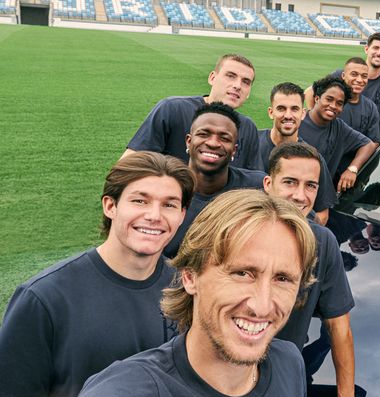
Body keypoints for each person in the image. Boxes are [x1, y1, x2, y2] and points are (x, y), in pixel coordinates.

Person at [55, 190, 318, 397]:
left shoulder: (289, 364)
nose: (262, 305)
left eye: (283, 279)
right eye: (242, 273)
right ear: (190, 277)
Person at [0, 152, 194, 397]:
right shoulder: (45, 298)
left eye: (169, 204)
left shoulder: (189, 291)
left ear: (182, 214)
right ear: (110, 206)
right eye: (140, 200)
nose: (154, 215)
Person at [263, 141, 358, 397]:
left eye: (311, 186)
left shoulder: (322, 243)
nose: (300, 196)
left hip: (279, 388)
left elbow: (339, 328)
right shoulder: (236, 230)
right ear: (268, 184)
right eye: (290, 182)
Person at [163, 102, 266, 258]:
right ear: (188, 141)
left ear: (234, 150)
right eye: (204, 134)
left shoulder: (258, 187)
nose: (212, 143)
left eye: (224, 138)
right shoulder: (164, 190)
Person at [125, 54, 259, 169]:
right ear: (212, 78)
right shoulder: (173, 109)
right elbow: (128, 164)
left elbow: (254, 180)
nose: (237, 86)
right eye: (230, 76)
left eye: (246, 82)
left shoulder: (248, 127)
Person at [309, 33, 380, 142]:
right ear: (366, 49)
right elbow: (310, 93)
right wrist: (314, 119)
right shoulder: (342, 75)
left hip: (373, 151)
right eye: (376, 48)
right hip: (336, 145)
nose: (379, 53)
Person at [254, 82, 337, 223]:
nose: (288, 115)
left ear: (303, 113)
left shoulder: (313, 158)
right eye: (281, 108)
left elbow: (322, 214)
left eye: (294, 109)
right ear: (270, 112)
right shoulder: (251, 143)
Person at [299, 76, 376, 193]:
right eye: (329, 99)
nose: (333, 106)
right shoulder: (298, 124)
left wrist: (352, 169)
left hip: (321, 197)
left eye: (339, 103)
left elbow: (368, 145)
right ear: (316, 98)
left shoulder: (339, 127)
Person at [340, 58, 380, 145]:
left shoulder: (371, 107)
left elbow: (374, 142)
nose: (359, 80)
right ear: (343, 76)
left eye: (364, 76)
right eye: (354, 74)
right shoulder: (332, 103)